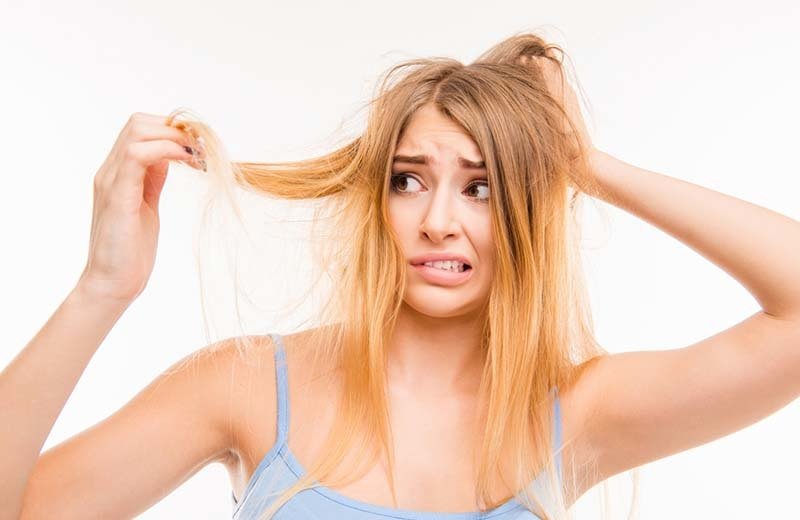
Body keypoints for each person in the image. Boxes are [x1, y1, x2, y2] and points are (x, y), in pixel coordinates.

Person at [4, 32, 800, 520]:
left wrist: (583, 164)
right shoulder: (247, 386)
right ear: (373, 199)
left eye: (483, 187)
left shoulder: (576, 414)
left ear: (530, 208)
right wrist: (101, 288)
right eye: (408, 179)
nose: (439, 220)